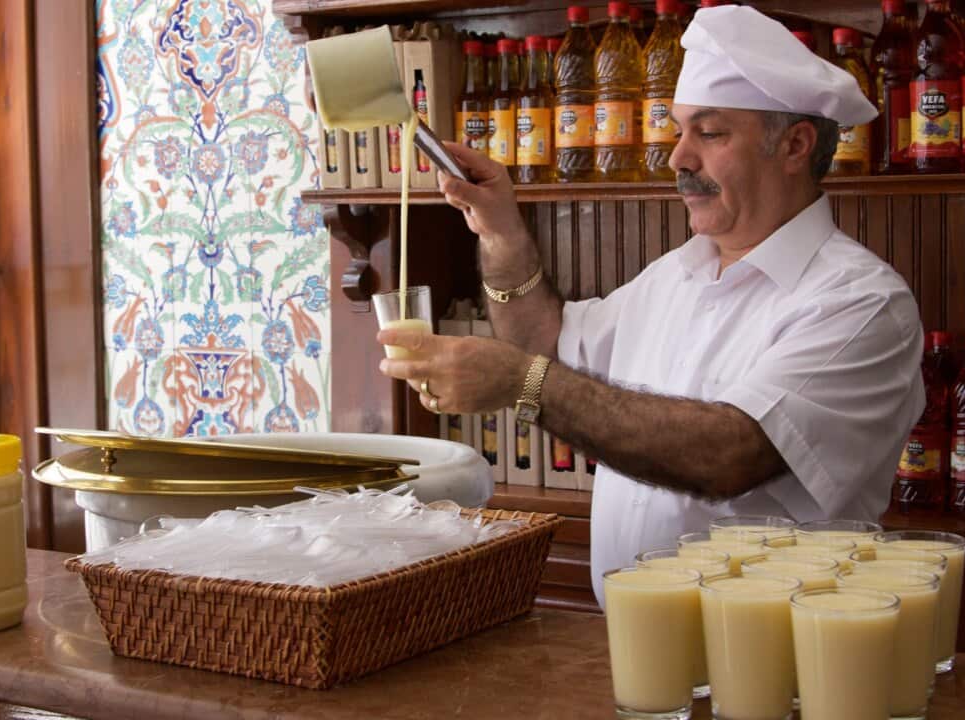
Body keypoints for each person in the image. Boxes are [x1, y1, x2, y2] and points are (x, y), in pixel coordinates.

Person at [378, 6, 925, 606]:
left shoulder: (862, 304)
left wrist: (522, 383)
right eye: (679, 130)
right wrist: (502, 233)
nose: (677, 159)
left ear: (794, 145)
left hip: (780, 670)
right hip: (635, 649)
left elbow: (731, 453)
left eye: (709, 134)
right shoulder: (674, 275)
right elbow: (542, 343)